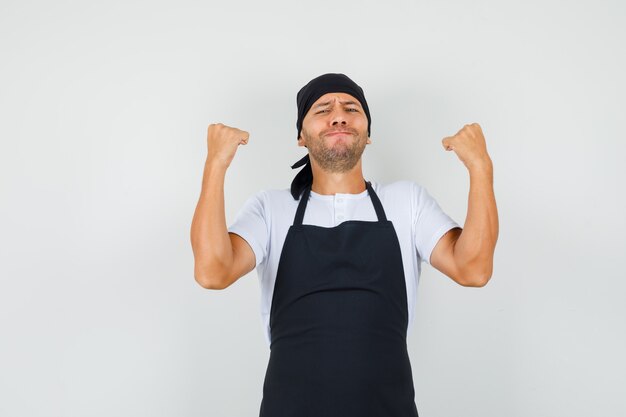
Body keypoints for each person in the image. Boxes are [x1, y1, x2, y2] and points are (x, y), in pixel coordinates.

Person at [190, 73, 499, 417]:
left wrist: (480, 167)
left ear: (367, 134)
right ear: (301, 137)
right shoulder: (271, 209)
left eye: (351, 108)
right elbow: (212, 271)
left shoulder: (407, 203)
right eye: (323, 109)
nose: (339, 115)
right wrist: (215, 164)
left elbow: (473, 268)